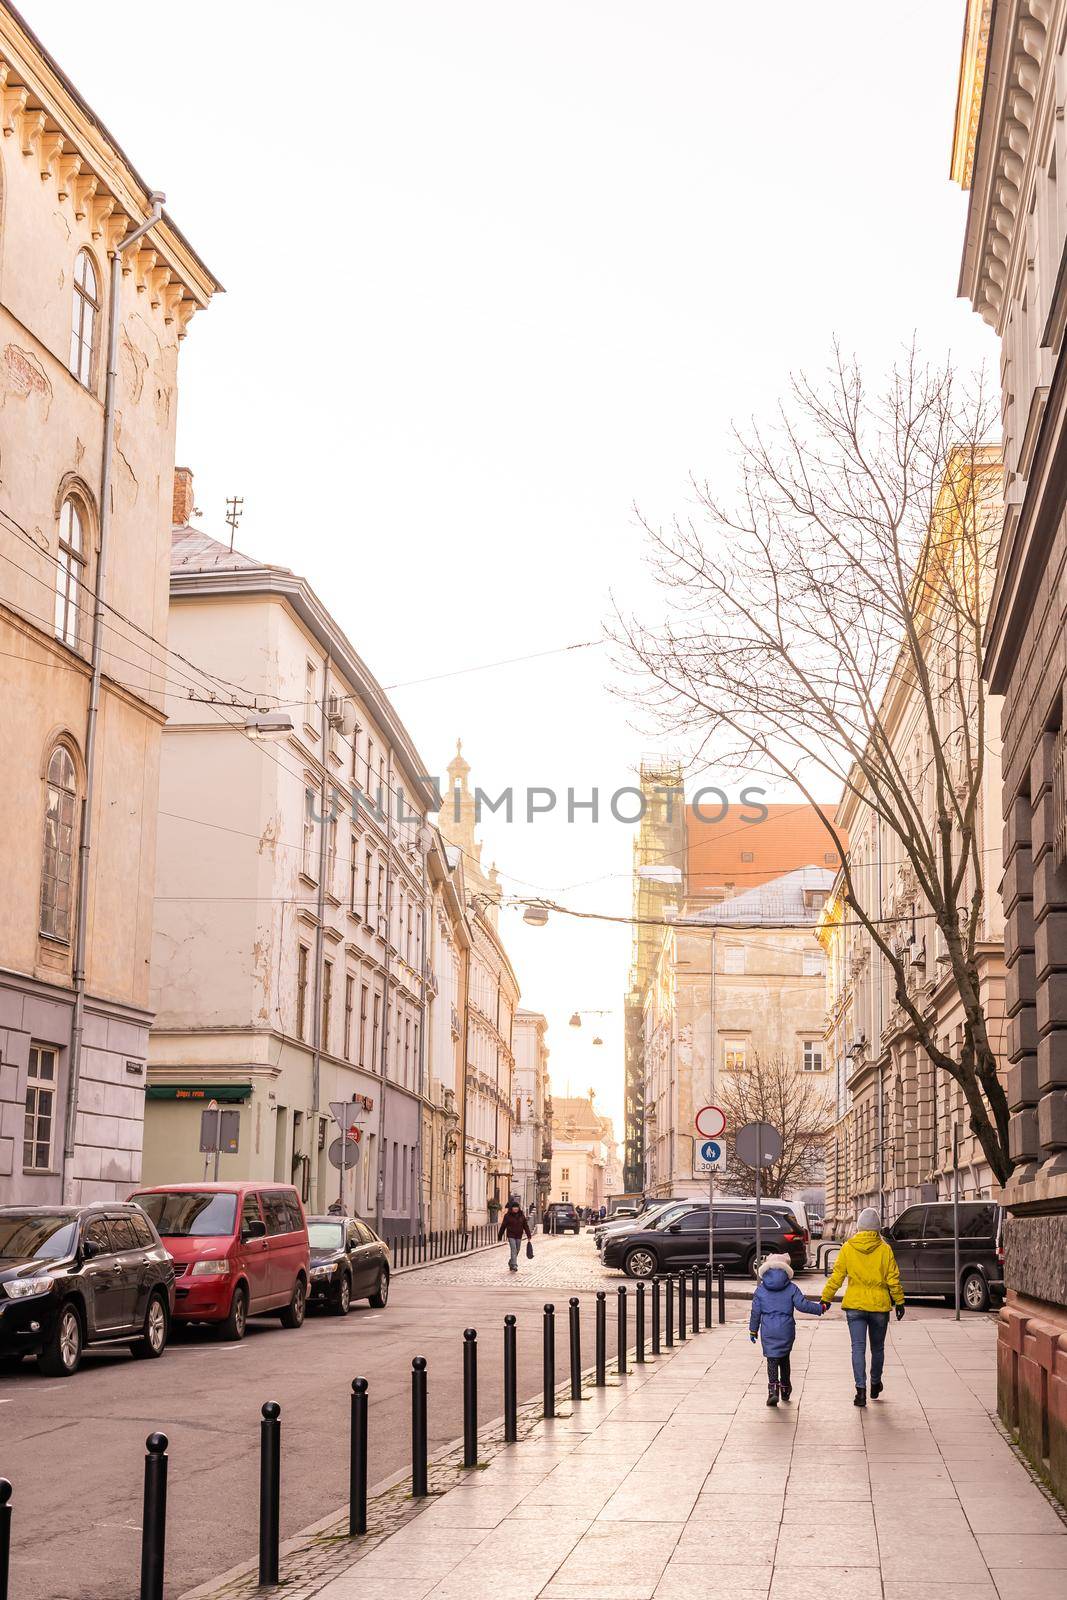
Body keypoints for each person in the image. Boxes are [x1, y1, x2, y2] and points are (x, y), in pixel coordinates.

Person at [821, 1207, 905, 1406]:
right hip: (879, 1306)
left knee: (857, 1349)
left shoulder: (848, 1248)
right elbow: (893, 1279)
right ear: (877, 1228)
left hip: (855, 1306)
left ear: (858, 1227)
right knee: (877, 1348)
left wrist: (826, 1298)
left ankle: (860, 1391)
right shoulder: (885, 1249)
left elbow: (837, 1277)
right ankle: (875, 1383)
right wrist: (899, 1301)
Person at [749, 1252, 825, 1406]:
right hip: (786, 1328)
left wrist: (753, 1330)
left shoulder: (761, 1290)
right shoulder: (791, 1288)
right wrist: (820, 1308)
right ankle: (785, 1388)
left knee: (772, 1359)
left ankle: (772, 1390)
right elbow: (802, 1305)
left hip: (768, 1329)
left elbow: (755, 1312)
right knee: (784, 1358)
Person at [497, 1196, 532, 1271]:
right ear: (511, 1208)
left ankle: (511, 1262)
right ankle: (514, 1265)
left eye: (517, 1207)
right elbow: (503, 1226)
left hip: (519, 1235)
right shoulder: (507, 1216)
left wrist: (529, 1235)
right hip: (511, 1235)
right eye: (514, 1207)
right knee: (513, 1249)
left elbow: (525, 1226)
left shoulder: (521, 1216)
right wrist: (500, 1236)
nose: (516, 1208)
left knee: (517, 1249)